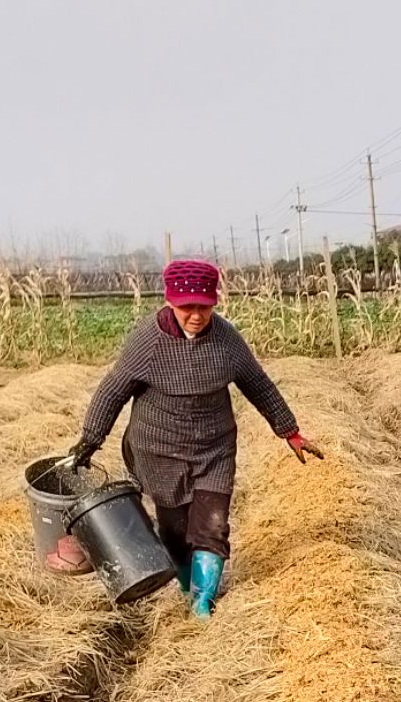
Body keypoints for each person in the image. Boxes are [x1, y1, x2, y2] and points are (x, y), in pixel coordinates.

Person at [69, 257, 320, 617]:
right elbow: (113, 390)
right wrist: (90, 439)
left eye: (205, 307)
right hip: (159, 452)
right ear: (170, 301)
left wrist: (289, 431)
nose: (197, 315)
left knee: (212, 527)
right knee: (174, 532)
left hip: (214, 448)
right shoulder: (148, 341)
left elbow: (257, 383)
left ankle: (203, 605)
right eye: (188, 307)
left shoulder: (226, 339)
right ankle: (189, 587)